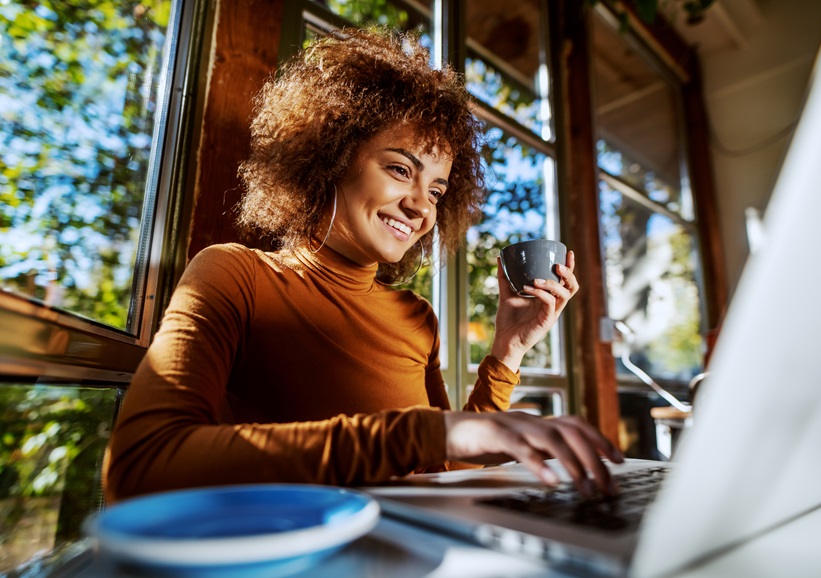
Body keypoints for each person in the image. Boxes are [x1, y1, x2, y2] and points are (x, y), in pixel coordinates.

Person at [103, 28, 622, 505]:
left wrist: (508, 352)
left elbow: (446, 466)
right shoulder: (236, 276)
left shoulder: (416, 317)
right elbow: (142, 465)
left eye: (437, 190)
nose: (422, 207)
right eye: (400, 169)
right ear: (330, 156)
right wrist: (422, 433)